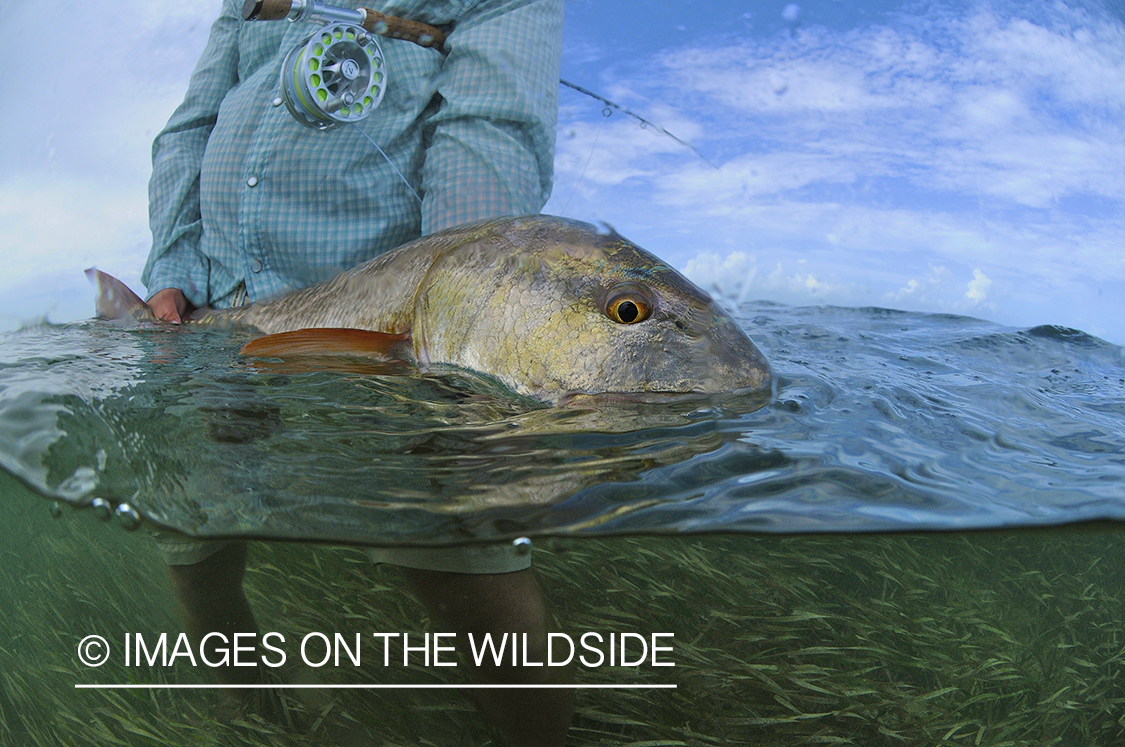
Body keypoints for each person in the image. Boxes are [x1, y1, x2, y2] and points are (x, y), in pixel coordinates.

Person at [141, 1, 571, 744]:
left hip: (386, 336)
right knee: (196, 551)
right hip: (215, 314)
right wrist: (171, 266)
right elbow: (192, 125)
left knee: (462, 568)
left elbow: (489, 132)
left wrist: (457, 314)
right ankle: (254, 720)